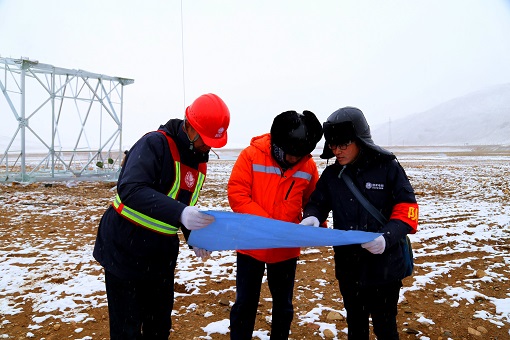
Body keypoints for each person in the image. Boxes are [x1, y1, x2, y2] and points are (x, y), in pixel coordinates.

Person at [93, 93, 230, 339]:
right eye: (205, 139)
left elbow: (183, 204)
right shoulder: (155, 144)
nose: (208, 146)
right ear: (190, 127)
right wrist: (181, 212)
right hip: (125, 249)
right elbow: (130, 189)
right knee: (128, 330)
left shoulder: (199, 162)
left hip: (160, 258)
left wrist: (193, 236)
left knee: (158, 328)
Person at [301, 106, 419, 340]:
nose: (338, 150)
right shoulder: (332, 176)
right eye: (333, 145)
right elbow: (318, 203)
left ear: (360, 140)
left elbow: (408, 209)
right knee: (356, 326)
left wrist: (385, 238)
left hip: (385, 267)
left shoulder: (388, 168)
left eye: (343, 144)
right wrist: (312, 217)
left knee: (386, 327)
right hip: (349, 268)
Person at [227, 110, 323, 339]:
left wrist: (315, 219)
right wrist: (267, 225)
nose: (294, 159)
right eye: (290, 154)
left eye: (299, 155)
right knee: (245, 305)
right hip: (251, 245)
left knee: (284, 307)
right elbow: (237, 194)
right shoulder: (250, 156)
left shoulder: (308, 166)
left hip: (286, 249)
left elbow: (315, 201)